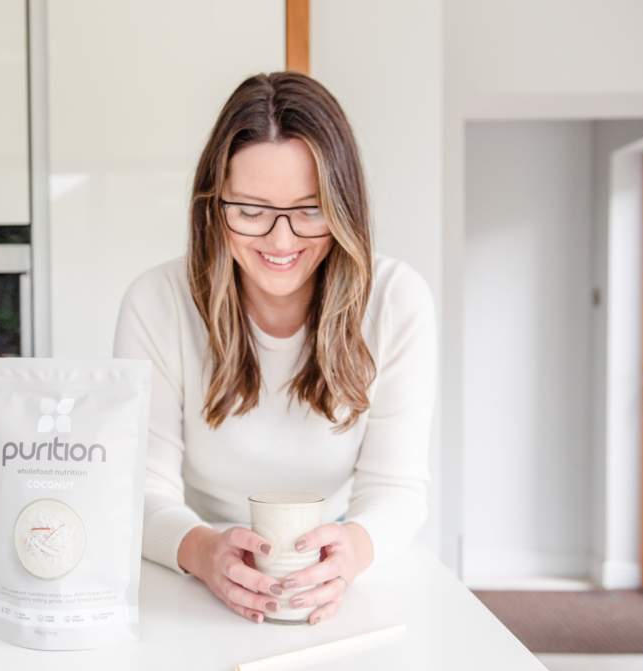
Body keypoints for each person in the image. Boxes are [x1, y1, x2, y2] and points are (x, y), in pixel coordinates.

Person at [113, 72, 435, 626]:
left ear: (344, 208)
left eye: (310, 211)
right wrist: (202, 552)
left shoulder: (396, 301)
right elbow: (138, 485)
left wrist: (348, 554)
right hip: (191, 577)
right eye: (252, 210)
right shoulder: (157, 302)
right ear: (214, 207)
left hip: (328, 582)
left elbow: (396, 488)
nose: (281, 242)